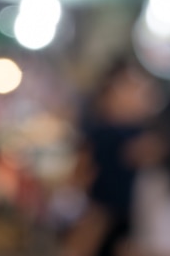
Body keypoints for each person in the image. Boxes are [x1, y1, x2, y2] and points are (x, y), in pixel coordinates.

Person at [63, 59, 163, 256]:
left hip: (133, 220)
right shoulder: (105, 134)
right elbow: (82, 171)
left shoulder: (146, 135)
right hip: (103, 213)